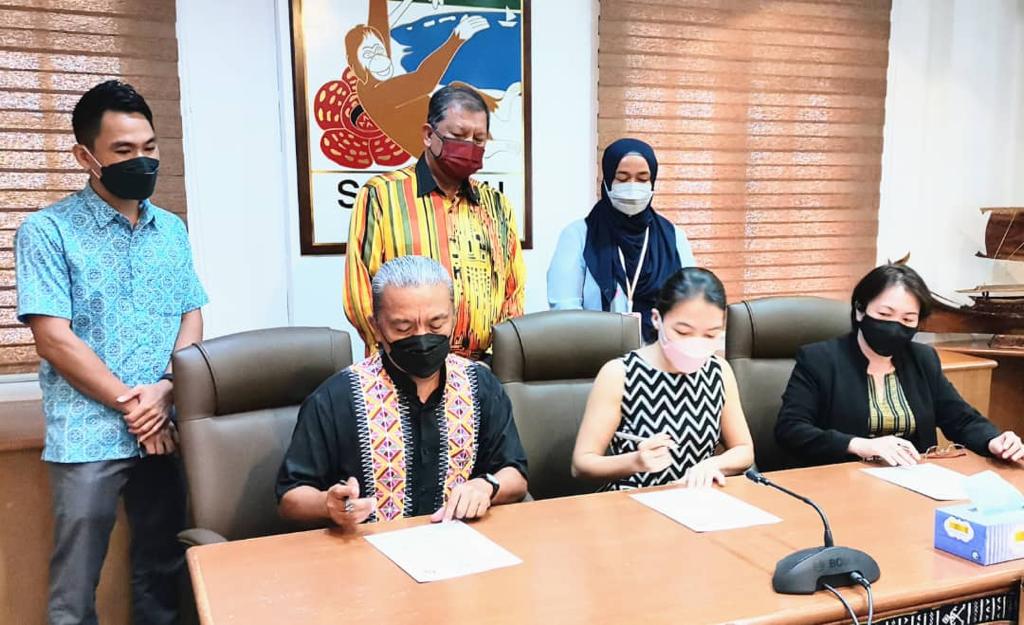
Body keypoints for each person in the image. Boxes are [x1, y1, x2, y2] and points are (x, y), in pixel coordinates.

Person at [15, 80, 207, 625]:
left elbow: (190, 314)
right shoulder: (46, 231)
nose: (141, 160)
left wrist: (166, 390)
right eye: (123, 150)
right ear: (86, 156)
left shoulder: (171, 229)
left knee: (164, 568)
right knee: (75, 585)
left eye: (148, 147)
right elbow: (54, 338)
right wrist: (135, 405)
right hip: (88, 433)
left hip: (165, 426)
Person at [280, 256, 528, 527]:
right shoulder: (336, 398)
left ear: (454, 317)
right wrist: (329, 505)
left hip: (459, 541)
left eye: (436, 324)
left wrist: (487, 485)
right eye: (403, 328)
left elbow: (515, 473)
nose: (422, 337)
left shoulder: (481, 385)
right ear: (376, 327)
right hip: (366, 546)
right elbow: (290, 498)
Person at [775, 263, 1024, 467]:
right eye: (885, 315)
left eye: (908, 319)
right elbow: (791, 429)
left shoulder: (923, 359)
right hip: (842, 480)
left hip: (911, 480)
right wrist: (860, 445)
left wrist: (993, 440)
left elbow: (962, 420)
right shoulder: (820, 359)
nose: (895, 327)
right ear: (860, 310)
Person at [344, 85, 526, 360]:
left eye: (479, 139)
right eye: (458, 136)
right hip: (403, 364)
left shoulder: (497, 205)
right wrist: (399, 352)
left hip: (482, 368)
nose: (470, 146)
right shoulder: (382, 195)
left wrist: (496, 357)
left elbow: (513, 291)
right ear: (429, 135)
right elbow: (359, 290)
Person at [572, 267, 754, 490]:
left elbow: (744, 449)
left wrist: (713, 464)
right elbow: (582, 464)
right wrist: (635, 461)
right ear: (657, 319)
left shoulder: (719, 371)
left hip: (697, 498)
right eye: (683, 332)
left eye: (710, 334)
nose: (696, 344)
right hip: (634, 500)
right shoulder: (620, 374)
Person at [547, 138, 696, 343]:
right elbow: (565, 312)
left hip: (662, 355)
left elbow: (691, 303)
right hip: (596, 354)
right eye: (622, 178)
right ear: (608, 181)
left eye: (642, 179)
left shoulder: (674, 237)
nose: (633, 187)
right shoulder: (578, 236)